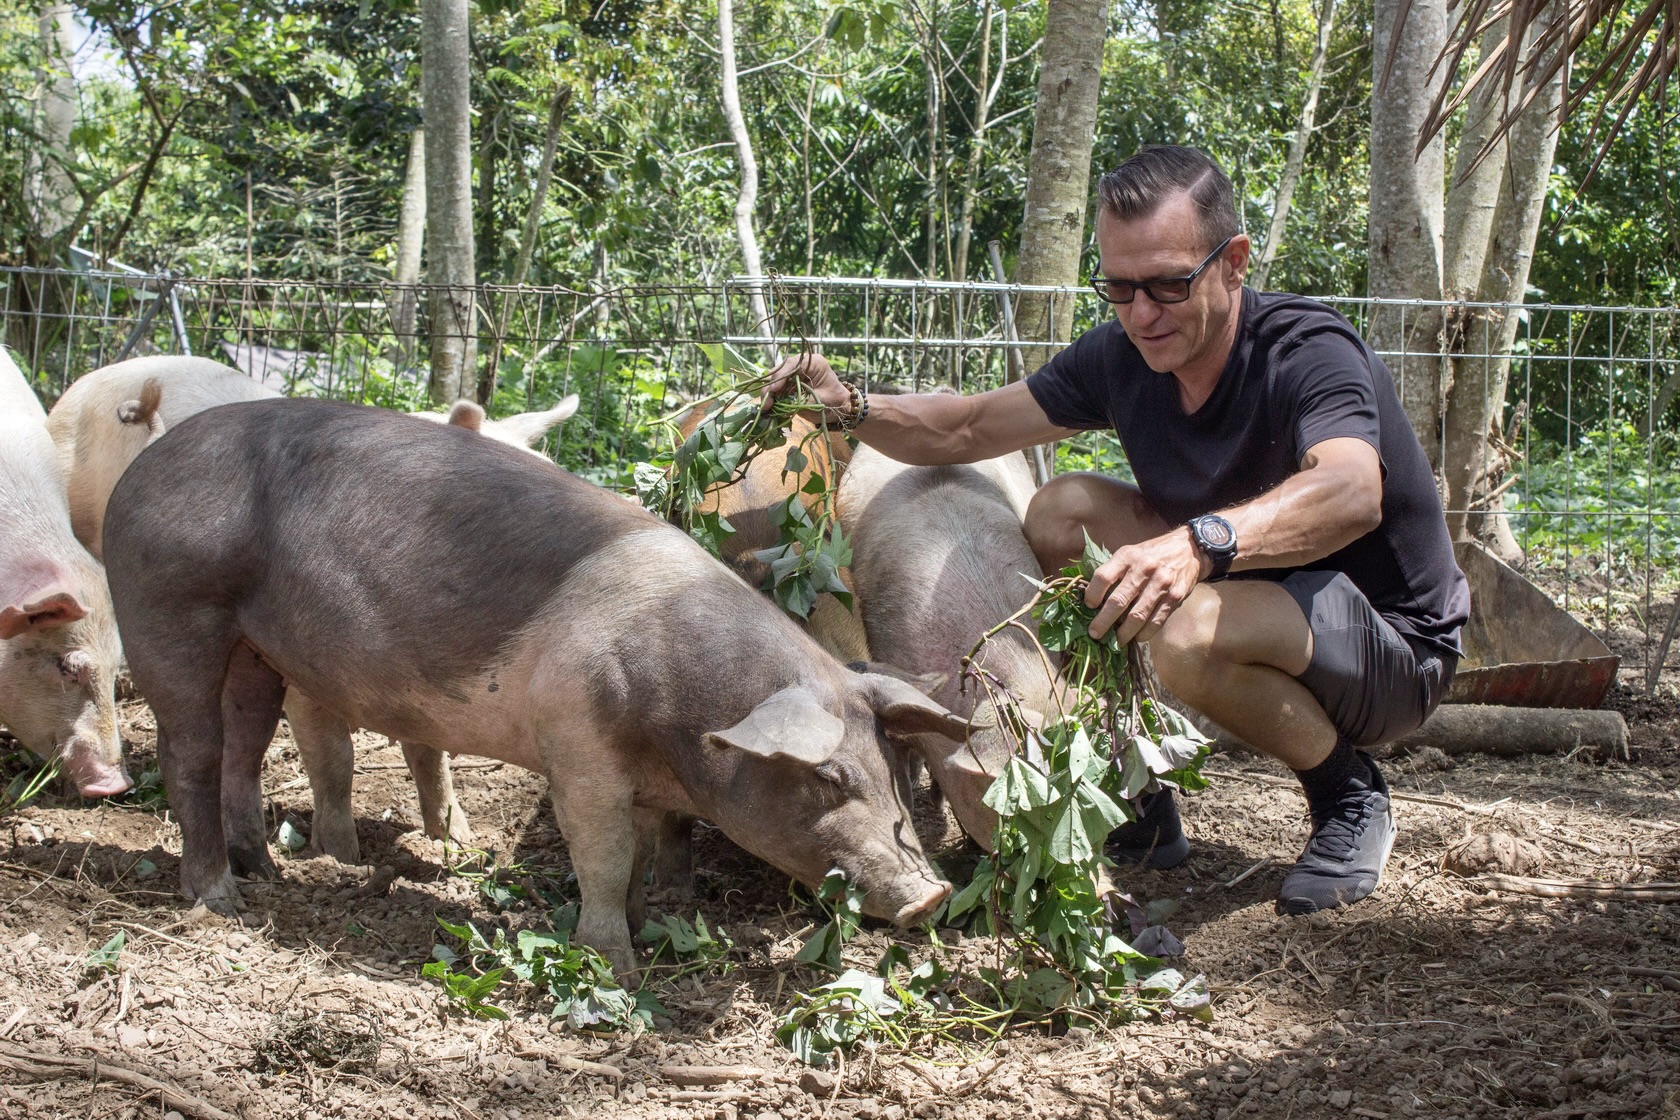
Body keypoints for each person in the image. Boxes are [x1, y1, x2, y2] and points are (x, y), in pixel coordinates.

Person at [767, 144, 1469, 915]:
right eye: (1120, 287)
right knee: (1062, 511)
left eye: (1169, 284)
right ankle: (1136, 787)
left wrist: (1196, 544)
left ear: (1233, 261)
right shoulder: (1126, 354)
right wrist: (853, 407)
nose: (1141, 313)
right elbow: (965, 428)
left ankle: (1349, 792)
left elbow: (1350, 490)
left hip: (1390, 648)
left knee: (1187, 634)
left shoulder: (1306, 349)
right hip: (1254, 595)